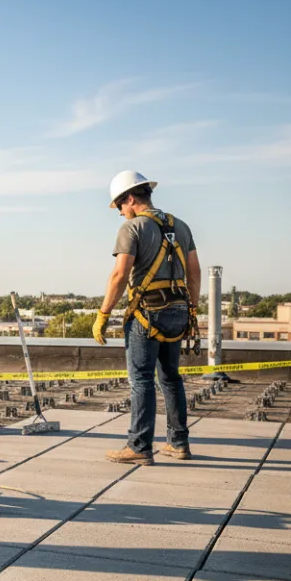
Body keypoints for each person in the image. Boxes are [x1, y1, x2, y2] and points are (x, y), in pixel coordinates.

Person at [93, 170, 201, 464]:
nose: (120, 213)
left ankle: (139, 446)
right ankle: (178, 443)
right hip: (178, 312)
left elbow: (119, 274)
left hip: (147, 315)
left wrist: (103, 314)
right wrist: (191, 309)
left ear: (130, 199)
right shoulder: (181, 226)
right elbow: (194, 272)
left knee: (141, 380)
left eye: (119, 206)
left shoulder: (133, 228)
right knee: (171, 379)